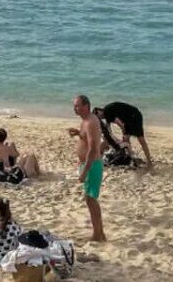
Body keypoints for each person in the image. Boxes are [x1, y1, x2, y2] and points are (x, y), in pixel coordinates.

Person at [68, 94, 106, 242]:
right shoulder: (85, 121)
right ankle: (99, 233)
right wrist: (79, 133)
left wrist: (85, 171)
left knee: (91, 199)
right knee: (89, 199)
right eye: (74, 105)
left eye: (77, 105)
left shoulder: (90, 122)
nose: (74, 108)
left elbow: (93, 149)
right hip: (88, 164)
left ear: (86, 106)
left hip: (92, 166)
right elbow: (89, 139)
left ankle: (98, 234)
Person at [95, 100, 153, 170]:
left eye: (98, 117)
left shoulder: (107, 111)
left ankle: (149, 162)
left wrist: (123, 130)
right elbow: (109, 128)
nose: (100, 119)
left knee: (141, 139)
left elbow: (119, 123)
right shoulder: (107, 114)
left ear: (98, 111)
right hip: (128, 119)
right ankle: (131, 158)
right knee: (126, 139)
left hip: (135, 116)